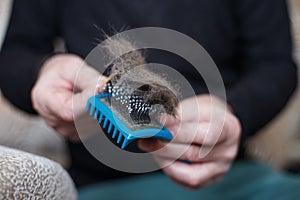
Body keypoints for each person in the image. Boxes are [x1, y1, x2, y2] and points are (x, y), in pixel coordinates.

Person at [0, 0, 299, 198]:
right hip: (101, 185)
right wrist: (44, 71)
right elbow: (15, 56)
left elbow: (275, 65)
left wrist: (232, 110)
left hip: (234, 179)